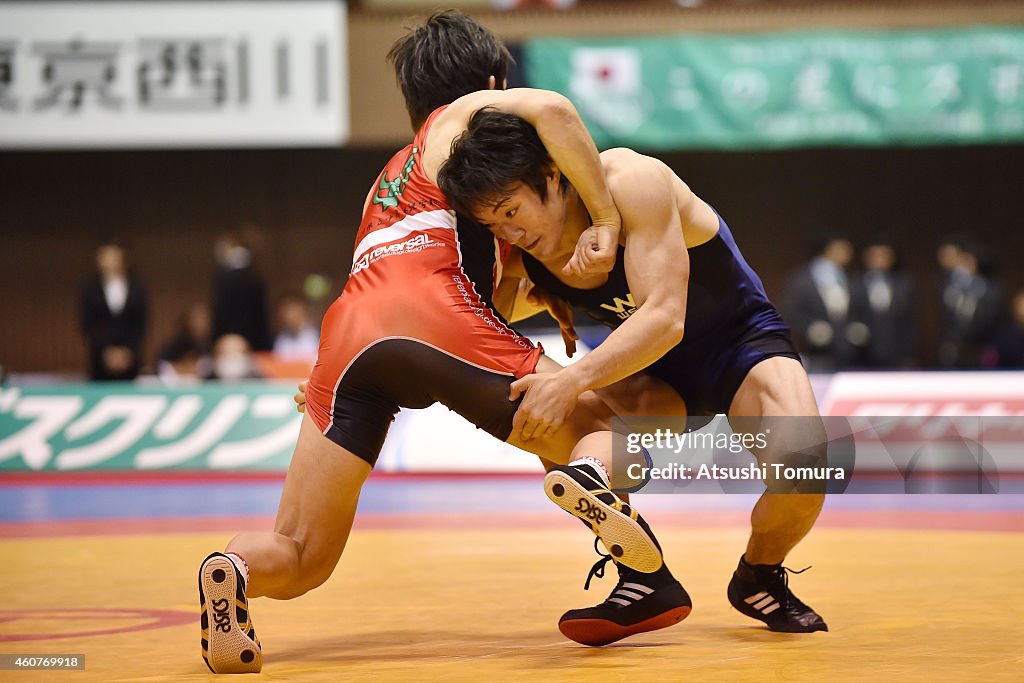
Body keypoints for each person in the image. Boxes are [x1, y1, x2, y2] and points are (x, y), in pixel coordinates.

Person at [198, 12, 686, 674]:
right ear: (490, 83)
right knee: (598, 424)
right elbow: (552, 107)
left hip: (346, 338)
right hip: (429, 310)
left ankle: (233, 569)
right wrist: (602, 216)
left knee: (303, 551)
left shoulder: (391, 177)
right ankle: (592, 477)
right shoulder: (460, 117)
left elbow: (442, 281)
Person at [438, 110, 829, 635]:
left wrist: (571, 378)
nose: (510, 232)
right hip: (648, 374)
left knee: (805, 468)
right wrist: (344, 375)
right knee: (541, 420)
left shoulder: (629, 181)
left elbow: (665, 319)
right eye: (493, 225)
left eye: (512, 211)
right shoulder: (515, 257)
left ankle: (758, 573)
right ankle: (641, 572)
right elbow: (454, 332)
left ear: (552, 175)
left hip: (737, 344)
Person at [781, 233, 869, 372]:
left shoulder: (851, 277)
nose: (848, 254)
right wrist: (810, 329)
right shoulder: (801, 278)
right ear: (828, 249)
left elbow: (860, 308)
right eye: (842, 249)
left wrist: (857, 328)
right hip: (814, 351)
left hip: (849, 351)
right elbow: (792, 310)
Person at [79, 238, 148, 381]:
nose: (109, 260)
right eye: (104, 256)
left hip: (130, 360)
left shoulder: (137, 287)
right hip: (100, 360)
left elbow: (141, 323)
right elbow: (88, 323)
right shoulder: (90, 289)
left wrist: (127, 352)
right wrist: (106, 352)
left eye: (113, 256)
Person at [859, 237, 920, 368]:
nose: (880, 259)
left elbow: (912, 321)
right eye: (875, 255)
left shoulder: (904, 283)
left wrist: (911, 354)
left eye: (884, 254)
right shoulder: (856, 283)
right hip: (864, 353)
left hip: (898, 352)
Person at [211, 229, 272, 352]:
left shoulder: (224, 278)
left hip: (229, 342)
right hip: (257, 341)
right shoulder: (255, 275)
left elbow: (221, 314)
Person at [271, 293, 319, 362]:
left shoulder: (318, 336)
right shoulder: (281, 339)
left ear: (302, 309)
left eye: (291, 309)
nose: (288, 316)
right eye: (284, 311)